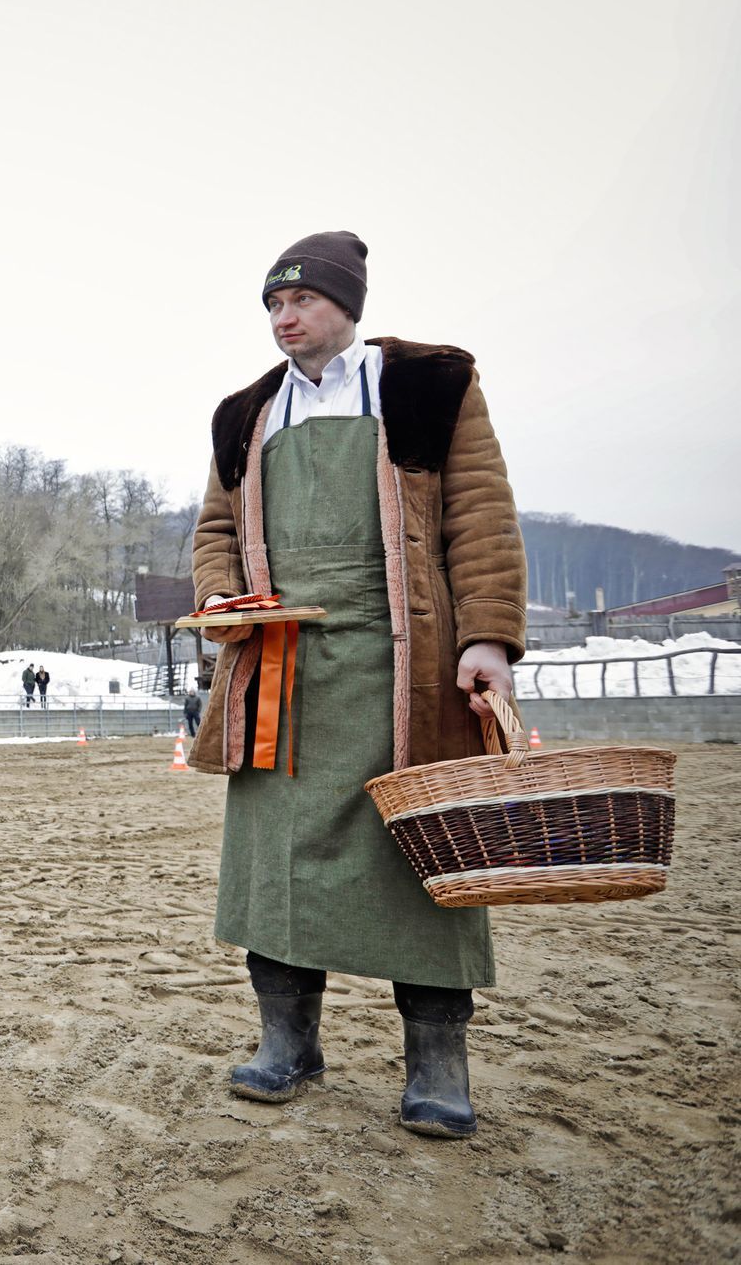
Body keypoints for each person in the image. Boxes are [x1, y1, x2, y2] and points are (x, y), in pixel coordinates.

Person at [190, 232, 525, 1139]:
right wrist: (220, 594)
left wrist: (487, 635)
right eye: (270, 306)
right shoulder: (246, 413)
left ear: (346, 305)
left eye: (297, 301)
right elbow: (215, 527)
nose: (283, 319)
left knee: (424, 858)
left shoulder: (428, 386)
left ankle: (438, 1067)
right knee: (277, 866)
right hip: (282, 673)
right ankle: (287, 1044)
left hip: (406, 666)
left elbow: (482, 516)